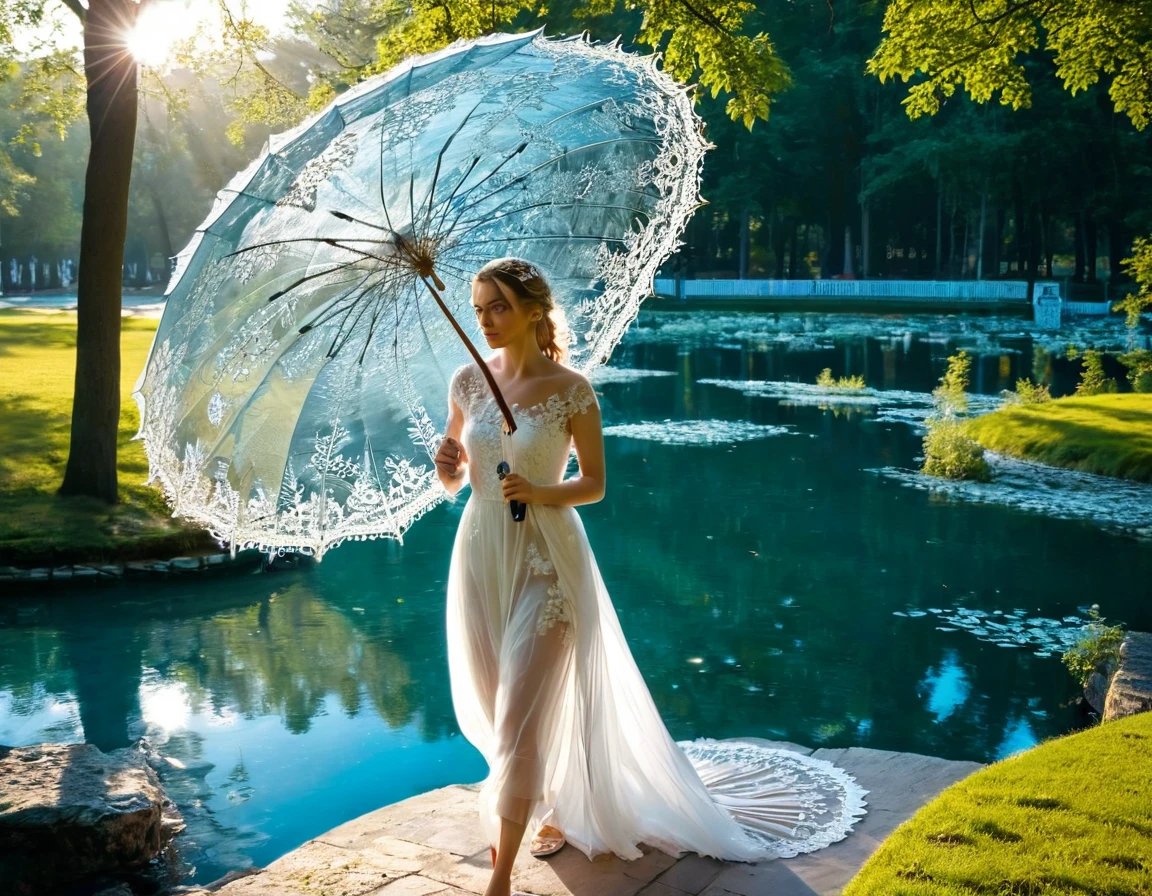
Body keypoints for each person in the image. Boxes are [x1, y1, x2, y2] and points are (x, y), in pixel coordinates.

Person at [434, 257, 868, 896]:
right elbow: (455, 479)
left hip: (547, 561)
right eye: (477, 309)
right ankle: (551, 801)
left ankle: (501, 876)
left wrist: (540, 488)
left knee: (518, 716)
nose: (486, 321)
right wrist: (446, 464)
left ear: (532, 311)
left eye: (497, 306)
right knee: (501, 700)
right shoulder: (467, 382)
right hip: (478, 557)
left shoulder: (571, 388)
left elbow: (596, 485)